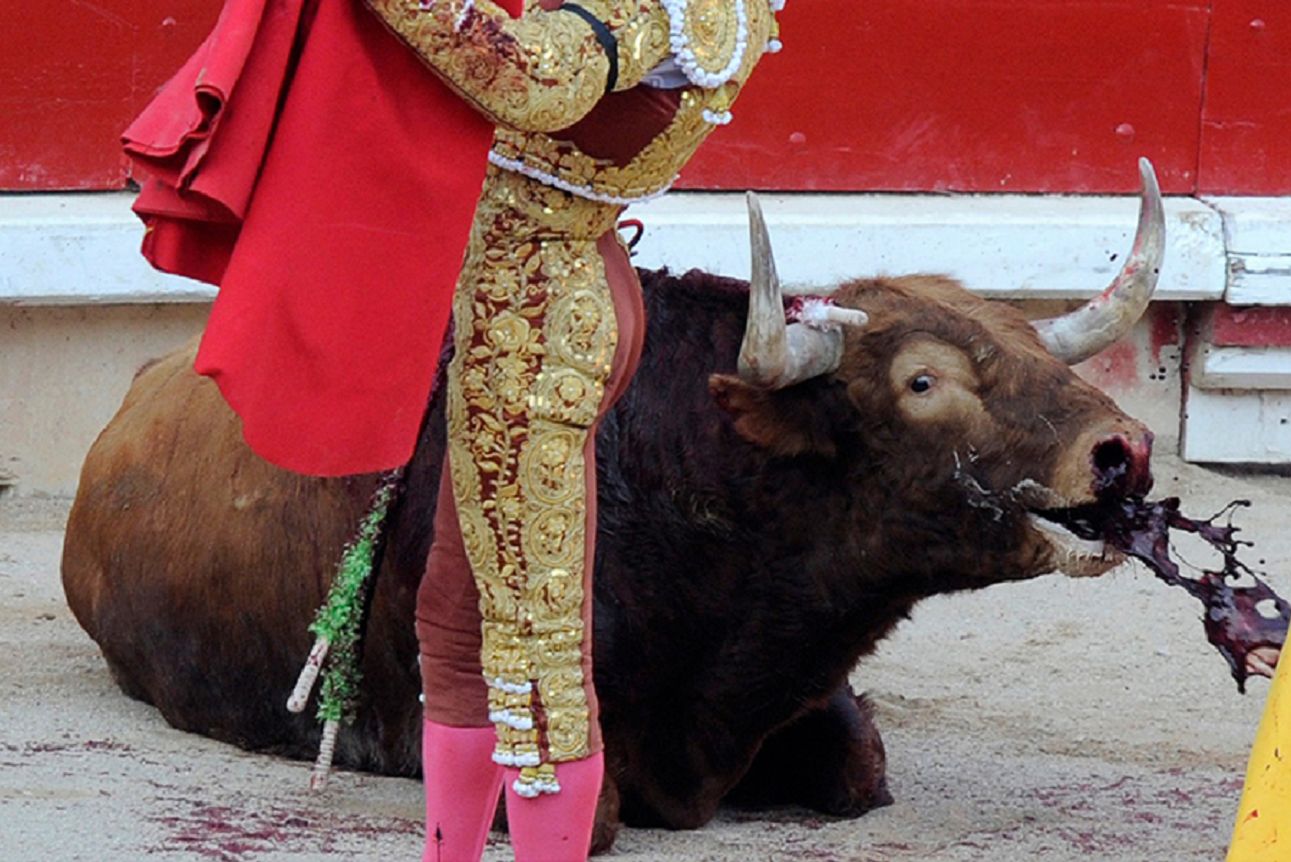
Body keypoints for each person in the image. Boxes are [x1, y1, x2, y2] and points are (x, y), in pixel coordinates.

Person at [125, 0, 785, 858]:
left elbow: (538, 80)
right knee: (456, 611)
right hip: (545, 285)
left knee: (533, 639)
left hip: (537, 315)